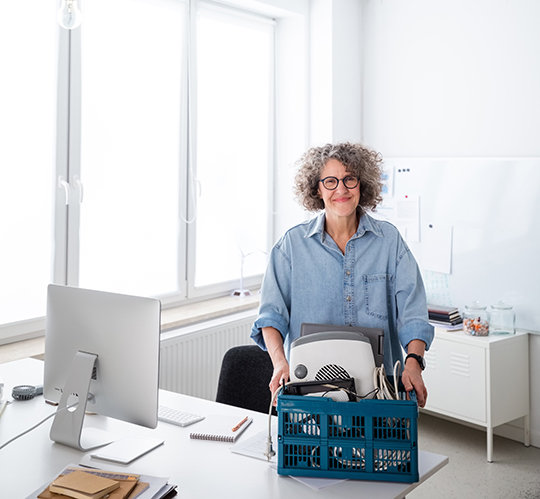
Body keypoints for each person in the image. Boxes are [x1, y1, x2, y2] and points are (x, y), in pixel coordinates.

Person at [250, 142, 434, 407]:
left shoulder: (389, 241)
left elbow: (413, 314)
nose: (341, 189)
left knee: (380, 449)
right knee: (311, 449)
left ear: (362, 184)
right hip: (310, 391)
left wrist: (414, 363)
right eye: (330, 181)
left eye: (349, 179)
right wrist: (280, 362)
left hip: (379, 391)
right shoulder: (291, 245)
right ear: (317, 188)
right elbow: (271, 317)